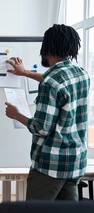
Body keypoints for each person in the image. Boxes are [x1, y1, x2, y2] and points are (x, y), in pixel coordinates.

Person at [5, 24, 90, 201]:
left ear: (47, 48)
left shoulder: (50, 83)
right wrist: (26, 73)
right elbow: (58, 83)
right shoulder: (81, 74)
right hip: (75, 162)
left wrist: (16, 114)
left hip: (50, 164)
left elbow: (41, 128)